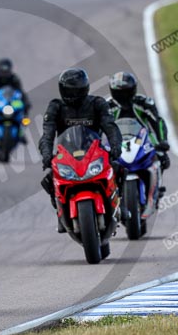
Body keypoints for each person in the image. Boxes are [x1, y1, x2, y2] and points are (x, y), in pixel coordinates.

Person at [39, 68, 123, 231]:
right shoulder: (56, 107)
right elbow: (47, 134)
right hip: (67, 154)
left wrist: (115, 146)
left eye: (75, 90)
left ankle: (122, 205)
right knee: (49, 180)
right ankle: (60, 211)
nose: (72, 94)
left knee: (119, 169)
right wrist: (46, 154)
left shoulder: (98, 103)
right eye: (69, 90)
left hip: (94, 152)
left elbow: (110, 127)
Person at [107, 71, 171, 171]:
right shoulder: (106, 106)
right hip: (117, 144)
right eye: (119, 93)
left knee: (163, 160)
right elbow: (97, 126)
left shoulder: (144, 102)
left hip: (144, 143)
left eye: (126, 92)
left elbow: (157, 121)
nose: (123, 96)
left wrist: (163, 141)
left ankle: (155, 184)